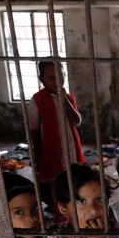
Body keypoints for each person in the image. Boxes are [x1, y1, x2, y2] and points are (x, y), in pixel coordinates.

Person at [28, 61, 85, 206]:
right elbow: (33, 129)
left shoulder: (68, 97)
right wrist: (38, 154)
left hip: (70, 145)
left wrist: (64, 99)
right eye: (51, 78)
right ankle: (58, 210)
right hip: (50, 146)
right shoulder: (37, 100)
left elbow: (77, 120)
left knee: (72, 175)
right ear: (42, 80)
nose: (57, 82)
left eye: (60, 76)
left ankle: (73, 206)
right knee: (54, 178)